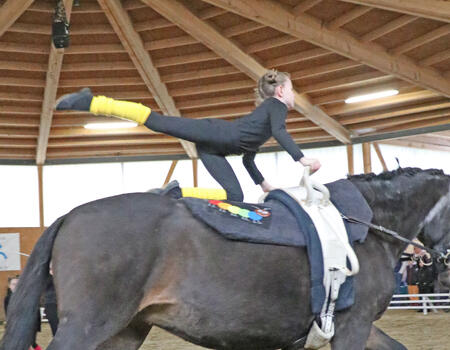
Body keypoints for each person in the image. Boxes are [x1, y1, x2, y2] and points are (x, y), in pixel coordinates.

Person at [55, 70, 321, 202]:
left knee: (234, 198)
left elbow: (247, 160)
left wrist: (264, 185)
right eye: (292, 89)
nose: (295, 95)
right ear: (280, 92)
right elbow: (280, 131)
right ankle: (91, 102)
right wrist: (302, 159)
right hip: (214, 132)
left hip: (213, 149)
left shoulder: (262, 121)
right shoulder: (274, 109)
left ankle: (176, 193)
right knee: (158, 121)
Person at [4, 276, 42, 350]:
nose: (16, 286)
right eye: (13, 284)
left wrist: (36, 325)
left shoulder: (27, 296)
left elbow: (35, 312)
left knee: (31, 342)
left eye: (18, 284)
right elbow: (7, 313)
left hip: (30, 324)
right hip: (16, 324)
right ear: (9, 286)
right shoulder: (7, 298)